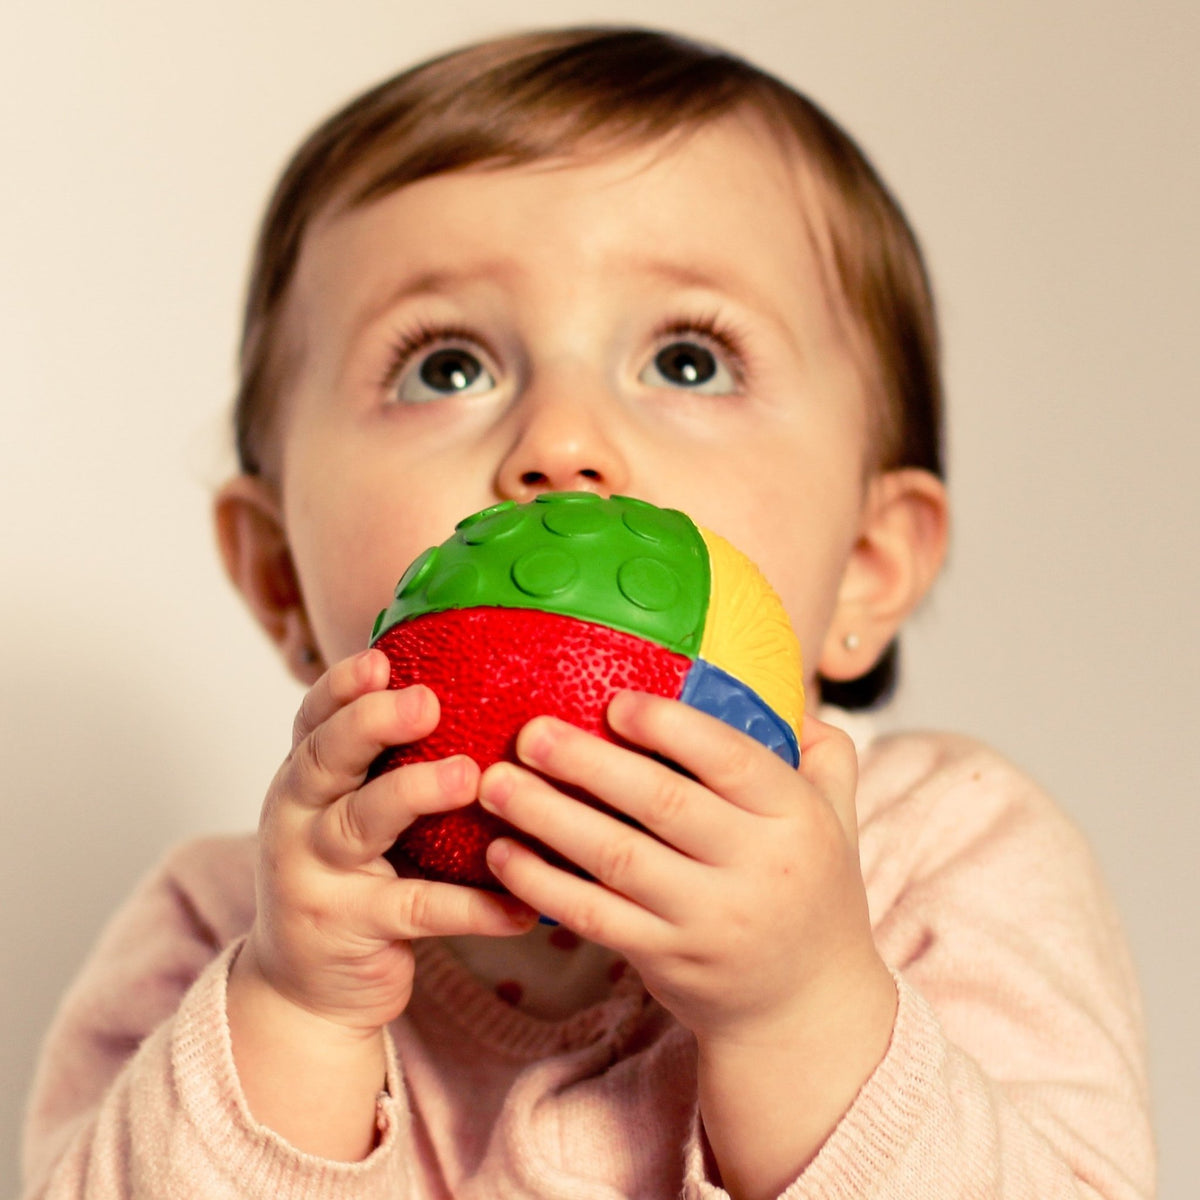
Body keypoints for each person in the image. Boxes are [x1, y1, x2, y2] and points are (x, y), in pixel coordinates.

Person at [20, 25, 1154, 1200]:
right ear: (277, 577)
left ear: (868, 564)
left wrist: (801, 1014)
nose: (562, 445)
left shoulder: (952, 858)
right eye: (446, 367)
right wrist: (294, 1015)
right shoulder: (220, 925)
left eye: (689, 360)